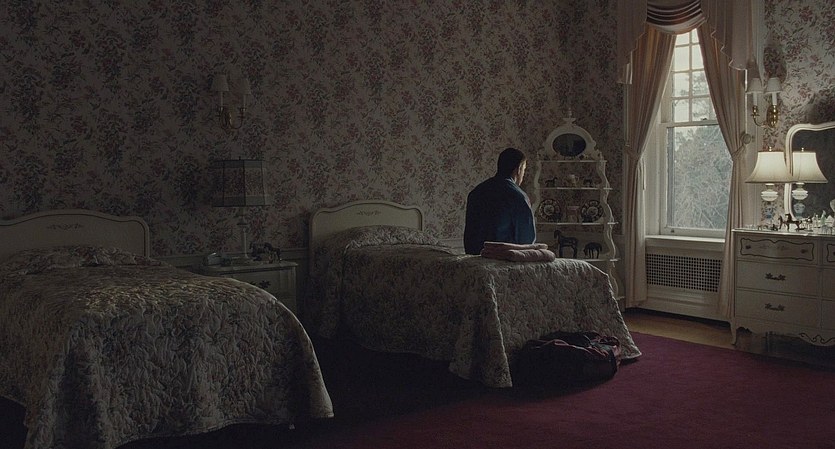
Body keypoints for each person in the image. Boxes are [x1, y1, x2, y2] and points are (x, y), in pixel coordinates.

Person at [464, 147, 536, 255]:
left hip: (475, 259)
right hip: (504, 260)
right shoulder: (518, 197)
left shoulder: (476, 192)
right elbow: (527, 241)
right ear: (518, 169)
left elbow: (469, 235)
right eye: (524, 170)